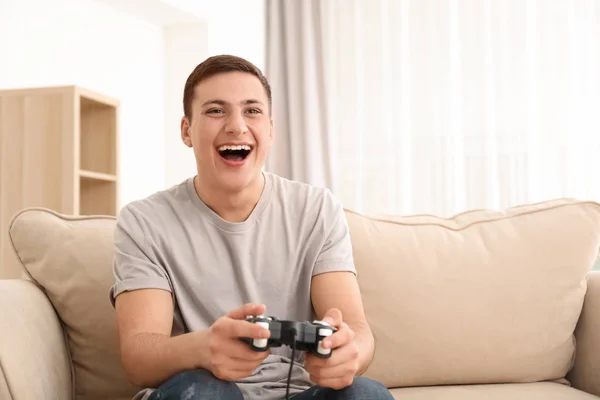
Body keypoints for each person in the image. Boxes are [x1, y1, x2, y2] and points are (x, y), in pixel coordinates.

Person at [109, 54, 393, 400]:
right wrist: (203, 348)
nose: (236, 126)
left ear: (270, 130)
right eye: (216, 110)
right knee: (201, 392)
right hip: (205, 389)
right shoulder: (144, 222)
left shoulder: (317, 209)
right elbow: (138, 357)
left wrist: (349, 354)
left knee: (364, 395)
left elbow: (358, 331)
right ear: (186, 130)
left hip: (300, 392)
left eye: (252, 111)